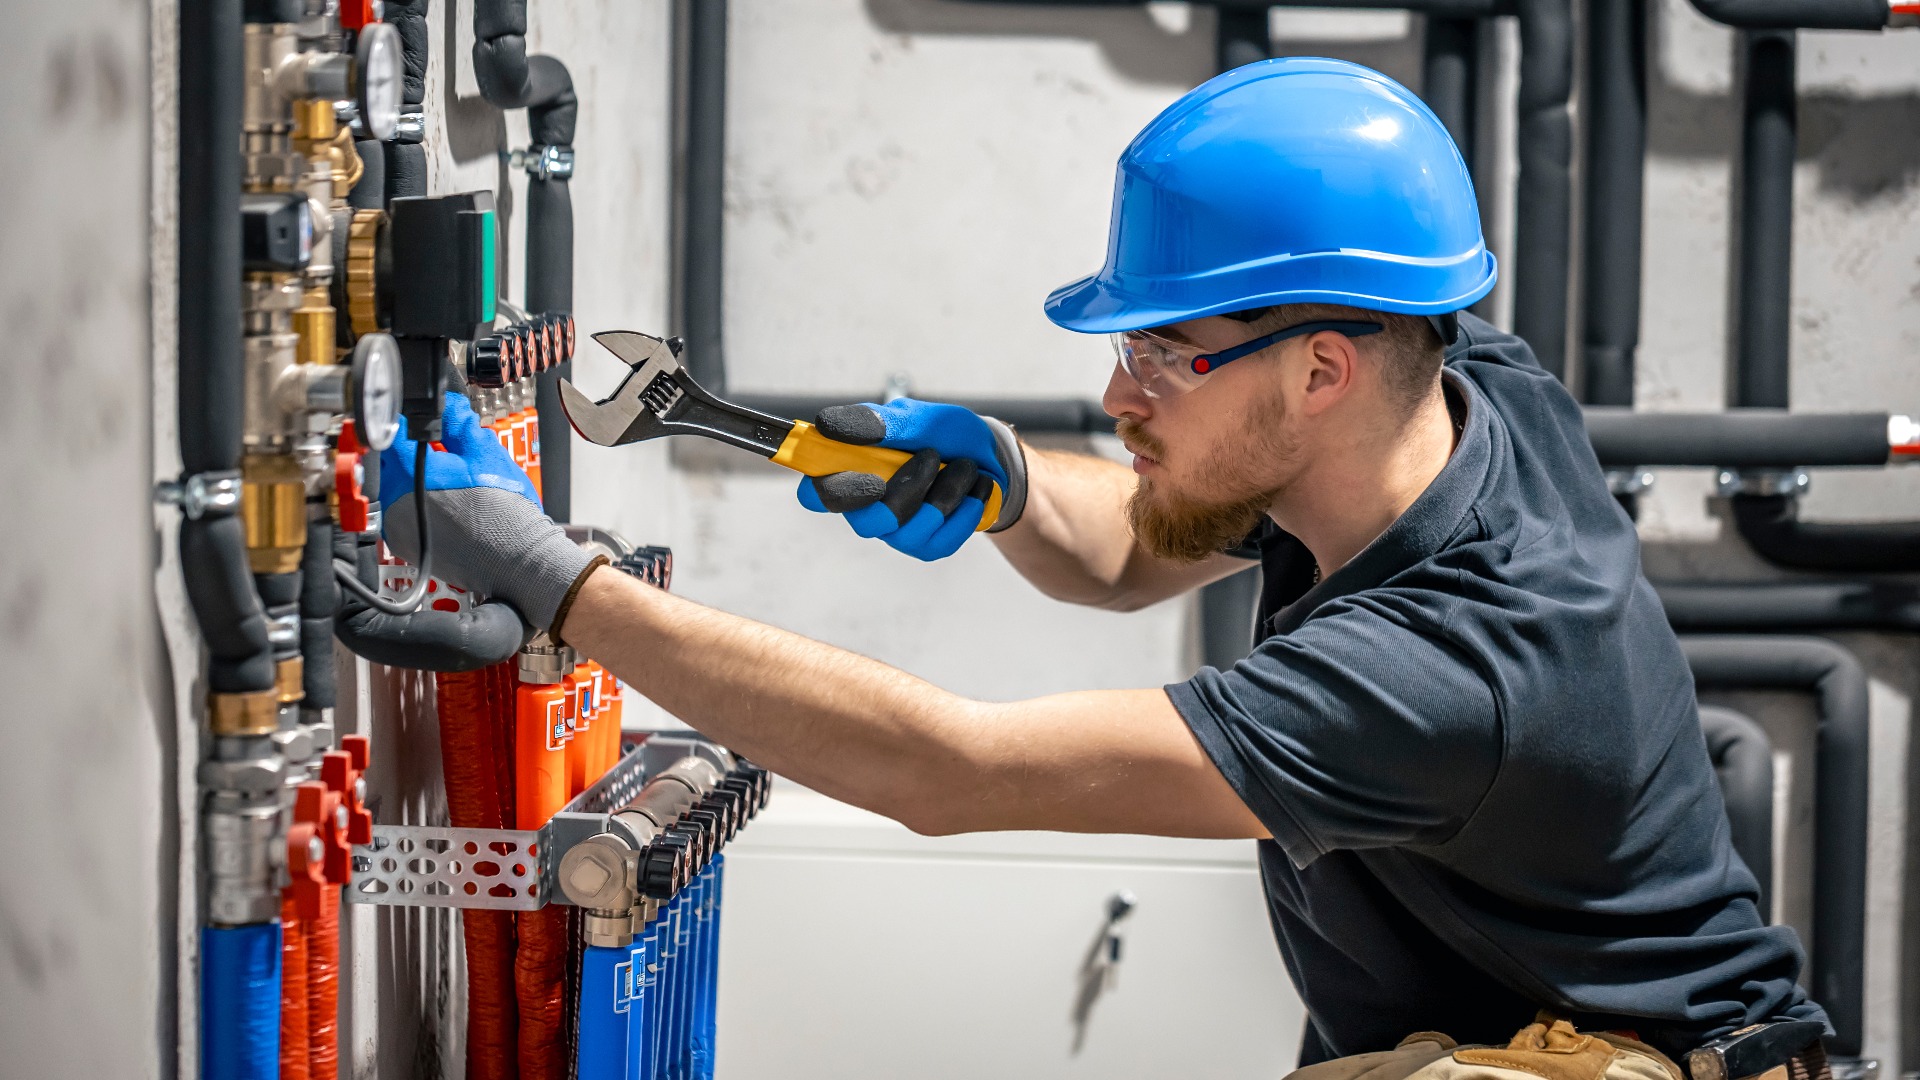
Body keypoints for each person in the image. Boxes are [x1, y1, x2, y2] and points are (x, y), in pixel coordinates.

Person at [383, 57, 1826, 1074]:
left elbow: (956, 771)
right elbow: (1141, 547)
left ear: (1323, 371)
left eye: (1163, 355)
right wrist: (1009, 483)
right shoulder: (1457, 384)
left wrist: (555, 578)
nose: (1123, 396)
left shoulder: (1457, 669)